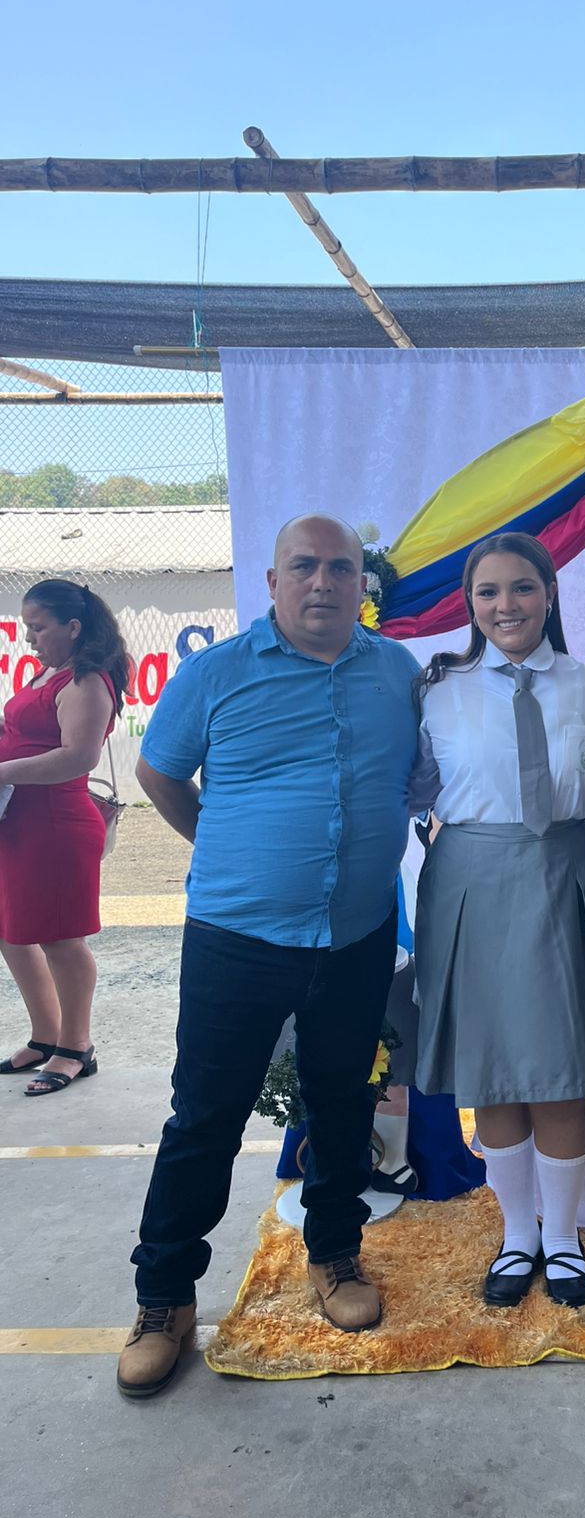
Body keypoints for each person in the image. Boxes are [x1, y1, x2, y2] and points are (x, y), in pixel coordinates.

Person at [117, 514, 422, 1400]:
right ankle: (164, 1297)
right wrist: (228, 850)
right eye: (305, 566)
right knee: (204, 1117)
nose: (323, 582)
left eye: (341, 568)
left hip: (357, 934)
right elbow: (158, 774)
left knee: (342, 1100)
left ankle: (335, 1253)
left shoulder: (396, 672)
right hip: (236, 940)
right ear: (273, 581)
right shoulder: (215, 674)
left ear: (361, 583)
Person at [403, 531, 585, 1309]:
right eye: (488, 591)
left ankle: (562, 1238)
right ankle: (517, 1236)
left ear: (550, 594)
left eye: (523, 587)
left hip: (564, 877)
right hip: (470, 885)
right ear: (469, 603)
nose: (506, 605)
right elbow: (410, 789)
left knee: (559, 1075)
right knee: (493, 1074)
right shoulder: (436, 689)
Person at [0, 579, 130, 1094]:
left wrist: (2, 771)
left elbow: (78, 757)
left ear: (72, 627)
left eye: (37, 627)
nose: (28, 638)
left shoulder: (86, 680)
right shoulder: (48, 672)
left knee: (60, 937)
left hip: (54, 824)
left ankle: (76, 1047)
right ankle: (45, 1035)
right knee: (12, 930)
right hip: (19, 822)